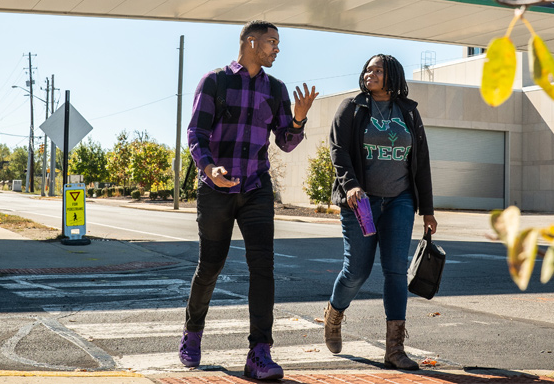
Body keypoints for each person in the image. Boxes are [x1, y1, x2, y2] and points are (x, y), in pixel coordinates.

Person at [181, 20, 318, 380]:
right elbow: (196, 134)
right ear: (251, 42)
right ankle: (193, 330)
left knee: (263, 269)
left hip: (256, 187)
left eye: (278, 43)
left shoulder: (276, 89)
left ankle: (260, 351)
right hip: (215, 191)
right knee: (210, 266)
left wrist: (299, 120)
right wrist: (209, 170)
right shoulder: (215, 82)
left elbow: (285, 142)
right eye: (272, 42)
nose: (277, 48)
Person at [323, 54, 437, 370]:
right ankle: (334, 313)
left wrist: (427, 209)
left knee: (395, 271)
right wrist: (350, 186)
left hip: (399, 200)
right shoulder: (352, 108)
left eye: (378, 69)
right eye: (368, 69)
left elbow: (421, 161)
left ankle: (395, 349)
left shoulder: (408, 113)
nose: (370, 72)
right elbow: (338, 151)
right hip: (360, 202)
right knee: (357, 270)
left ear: (393, 77)